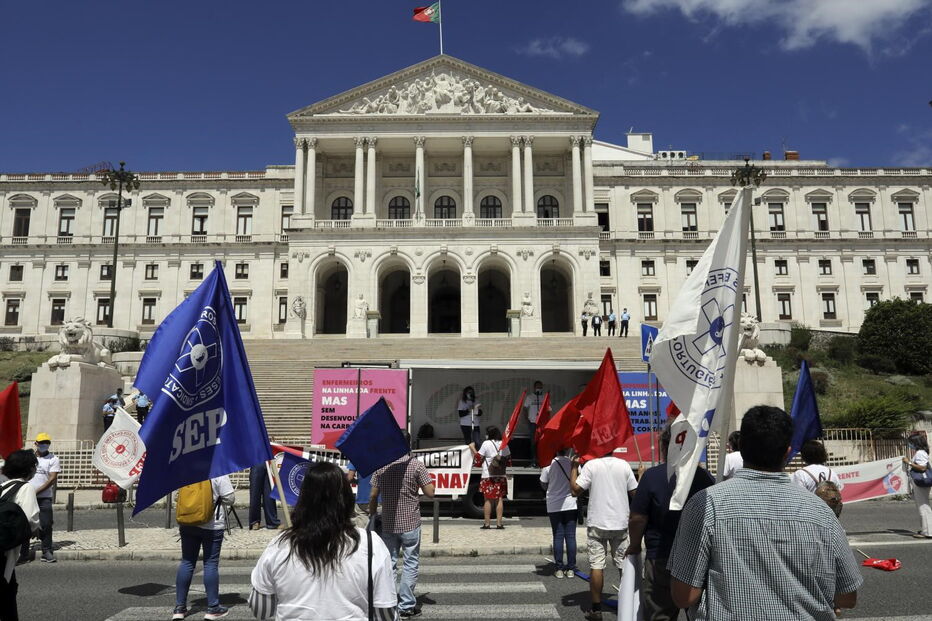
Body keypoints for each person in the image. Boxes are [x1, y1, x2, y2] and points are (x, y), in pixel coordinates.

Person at [668, 406, 863, 620]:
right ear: (788, 452)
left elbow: (683, 596)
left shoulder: (705, 504)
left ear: (740, 447)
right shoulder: (821, 512)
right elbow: (847, 596)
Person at [249, 461, 397, 621]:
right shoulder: (371, 544)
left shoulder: (279, 546)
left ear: (303, 499)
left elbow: (261, 610)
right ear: (346, 499)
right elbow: (386, 614)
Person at [625, 425, 714, 621]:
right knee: (699, 614)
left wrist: (634, 545)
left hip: (661, 557)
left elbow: (638, 518)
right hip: (697, 557)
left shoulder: (652, 476)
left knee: (660, 614)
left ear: (665, 448)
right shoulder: (705, 478)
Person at [369, 431, 435, 618]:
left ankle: (388, 602)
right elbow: (430, 492)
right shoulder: (416, 465)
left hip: (388, 523)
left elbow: (373, 495)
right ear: (409, 444)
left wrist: (372, 515)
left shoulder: (382, 466)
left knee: (389, 563)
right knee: (410, 563)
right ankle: (406, 606)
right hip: (410, 523)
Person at [570, 449, 639, 621]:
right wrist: (642, 476)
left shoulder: (591, 466)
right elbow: (636, 494)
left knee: (597, 565)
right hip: (620, 523)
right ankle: (627, 606)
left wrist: (573, 467)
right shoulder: (623, 465)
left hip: (597, 523)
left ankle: (596, 609)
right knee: (624, 566)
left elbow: (574, 490)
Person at [173, 476, 235, 620]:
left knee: (187, 562)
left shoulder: (186, 469)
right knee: (210, 564)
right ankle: (213, 608)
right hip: (212, 525)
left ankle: (179, 608)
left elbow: (177, 497)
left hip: (187, 523)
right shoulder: (218, 471)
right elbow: (230, 499)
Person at [1, 450, 40, 621]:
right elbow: (32, 519)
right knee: (7, 594)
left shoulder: (3, 487)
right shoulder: (26, 487)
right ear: (29, 469)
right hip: (7, 549)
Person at [18, 433, 60, 564]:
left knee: (46, 525)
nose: (44, 445)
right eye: (41, 442)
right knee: (24, 525)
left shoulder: (53, 459)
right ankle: (23, 553)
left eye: (46, 442)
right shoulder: (28, 458)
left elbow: (52, 478)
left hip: (44, 498)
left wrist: (35, 492)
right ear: (36, 443)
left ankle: (47, 551)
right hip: (26, 497)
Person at [540, 449, 577, 578]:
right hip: (571, 504)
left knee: (558, 536)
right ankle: (571, 569)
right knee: (571, 537)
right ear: (567, 450)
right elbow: (578, 482)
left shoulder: (548, 465)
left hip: (554, 505)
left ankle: (559, 569)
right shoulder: (573, 463)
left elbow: (543, 484)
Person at [469, 426, 511, 530]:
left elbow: (478, 459)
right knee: (499, 499)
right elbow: (508, 460)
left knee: (487, 499)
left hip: (488, 475)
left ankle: (487, 524)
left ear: (489, 434)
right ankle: (499, 524)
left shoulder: (486, 444)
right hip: (500, 475)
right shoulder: (504, 444)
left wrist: (472, 448)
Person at [903, 433, 931, 539]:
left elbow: (922, 468)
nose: (909, 445)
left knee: (923, 506)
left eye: (911, 442)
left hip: (921, 482)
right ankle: (926, 529)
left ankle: (928, 531)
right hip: (920, 482)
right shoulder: (921, 452)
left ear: (916, 443)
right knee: (922, 506)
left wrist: (909, 463)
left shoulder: (920, 453)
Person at [248, 463, 280, 531]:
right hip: (257, 460)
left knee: (269, 494)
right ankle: (255, 521)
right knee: (255, 493)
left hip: (269, 462)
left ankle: (272, 522)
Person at [347, 461, 376, 529]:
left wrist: (359, 481)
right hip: (380, 500)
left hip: (362, 500)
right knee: (378, 532)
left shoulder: (358, 455)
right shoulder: (386, 455)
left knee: (360, 531)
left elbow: (350, 478)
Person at [523, 381, 546, 466]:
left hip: (542, 423)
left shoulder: (544, 397)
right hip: (532, 423)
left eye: (540, 387)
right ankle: (533, 460)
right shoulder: (530, 397)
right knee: (533, 442)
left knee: (541, 442)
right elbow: (524, 408)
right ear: (534, 387)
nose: (539, 388)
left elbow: (548, 410)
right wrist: (527, 420)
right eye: (537, 387)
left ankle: (540, 460)